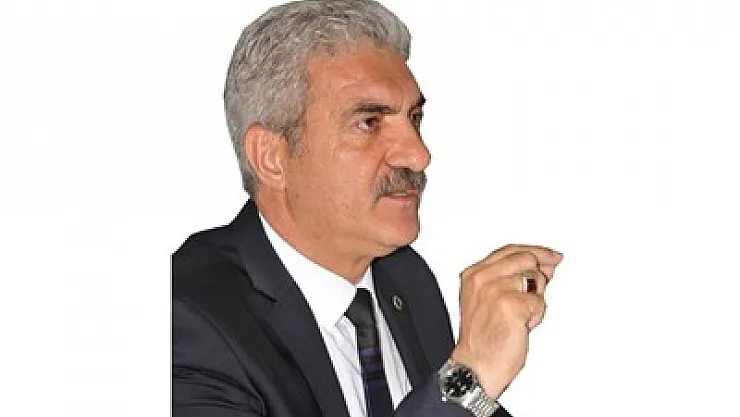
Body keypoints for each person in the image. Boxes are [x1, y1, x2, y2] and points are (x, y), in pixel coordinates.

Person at [172, 1, 563, 416]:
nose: (418, 155)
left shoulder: (404, 277)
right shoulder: (187, 318)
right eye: (369, 123)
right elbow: (456, 399)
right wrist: (468, 376)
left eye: (414, 118)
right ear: (270, 157)